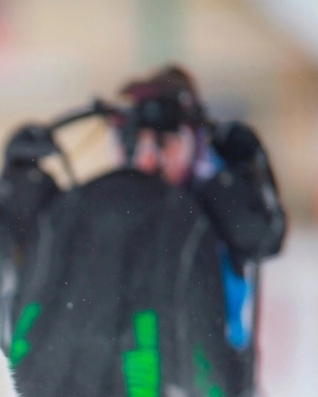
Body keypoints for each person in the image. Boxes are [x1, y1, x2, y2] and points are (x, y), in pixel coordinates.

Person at [112, 64, 286, 352]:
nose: (149, 161)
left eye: (166, 143)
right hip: (134, 365)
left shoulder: (216, 190)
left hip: (210, 364)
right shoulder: (116, 201)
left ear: (195, 142)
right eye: (136, 145)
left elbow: (264, 237)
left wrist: (239, 169)